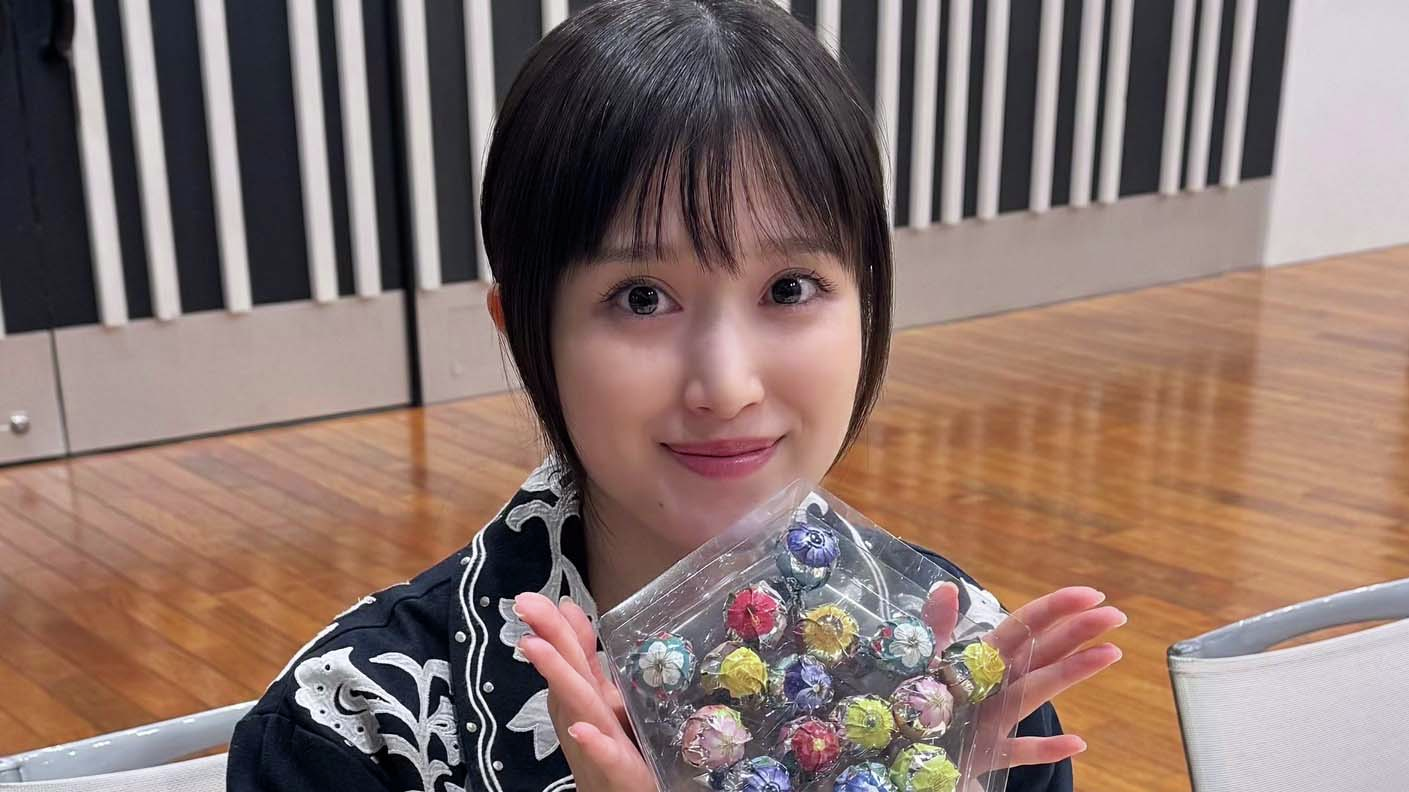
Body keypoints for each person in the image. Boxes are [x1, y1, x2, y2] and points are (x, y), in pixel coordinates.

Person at [226, 2, 1126, 790]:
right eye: (641, 298)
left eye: (789, 288)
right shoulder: (358, 731)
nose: (726, 387)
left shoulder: (955, 676)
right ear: (525, 330)